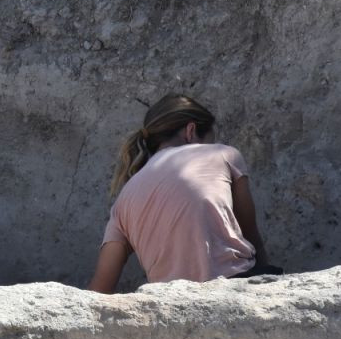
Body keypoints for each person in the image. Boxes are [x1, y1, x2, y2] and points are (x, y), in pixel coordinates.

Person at [86, 93, 278, 293]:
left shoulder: (124, 198)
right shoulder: (224, 155)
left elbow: (100, 288)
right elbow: (251, 236)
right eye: (209, 140)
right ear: (191, 130)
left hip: (170, 303)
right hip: (235, 287)